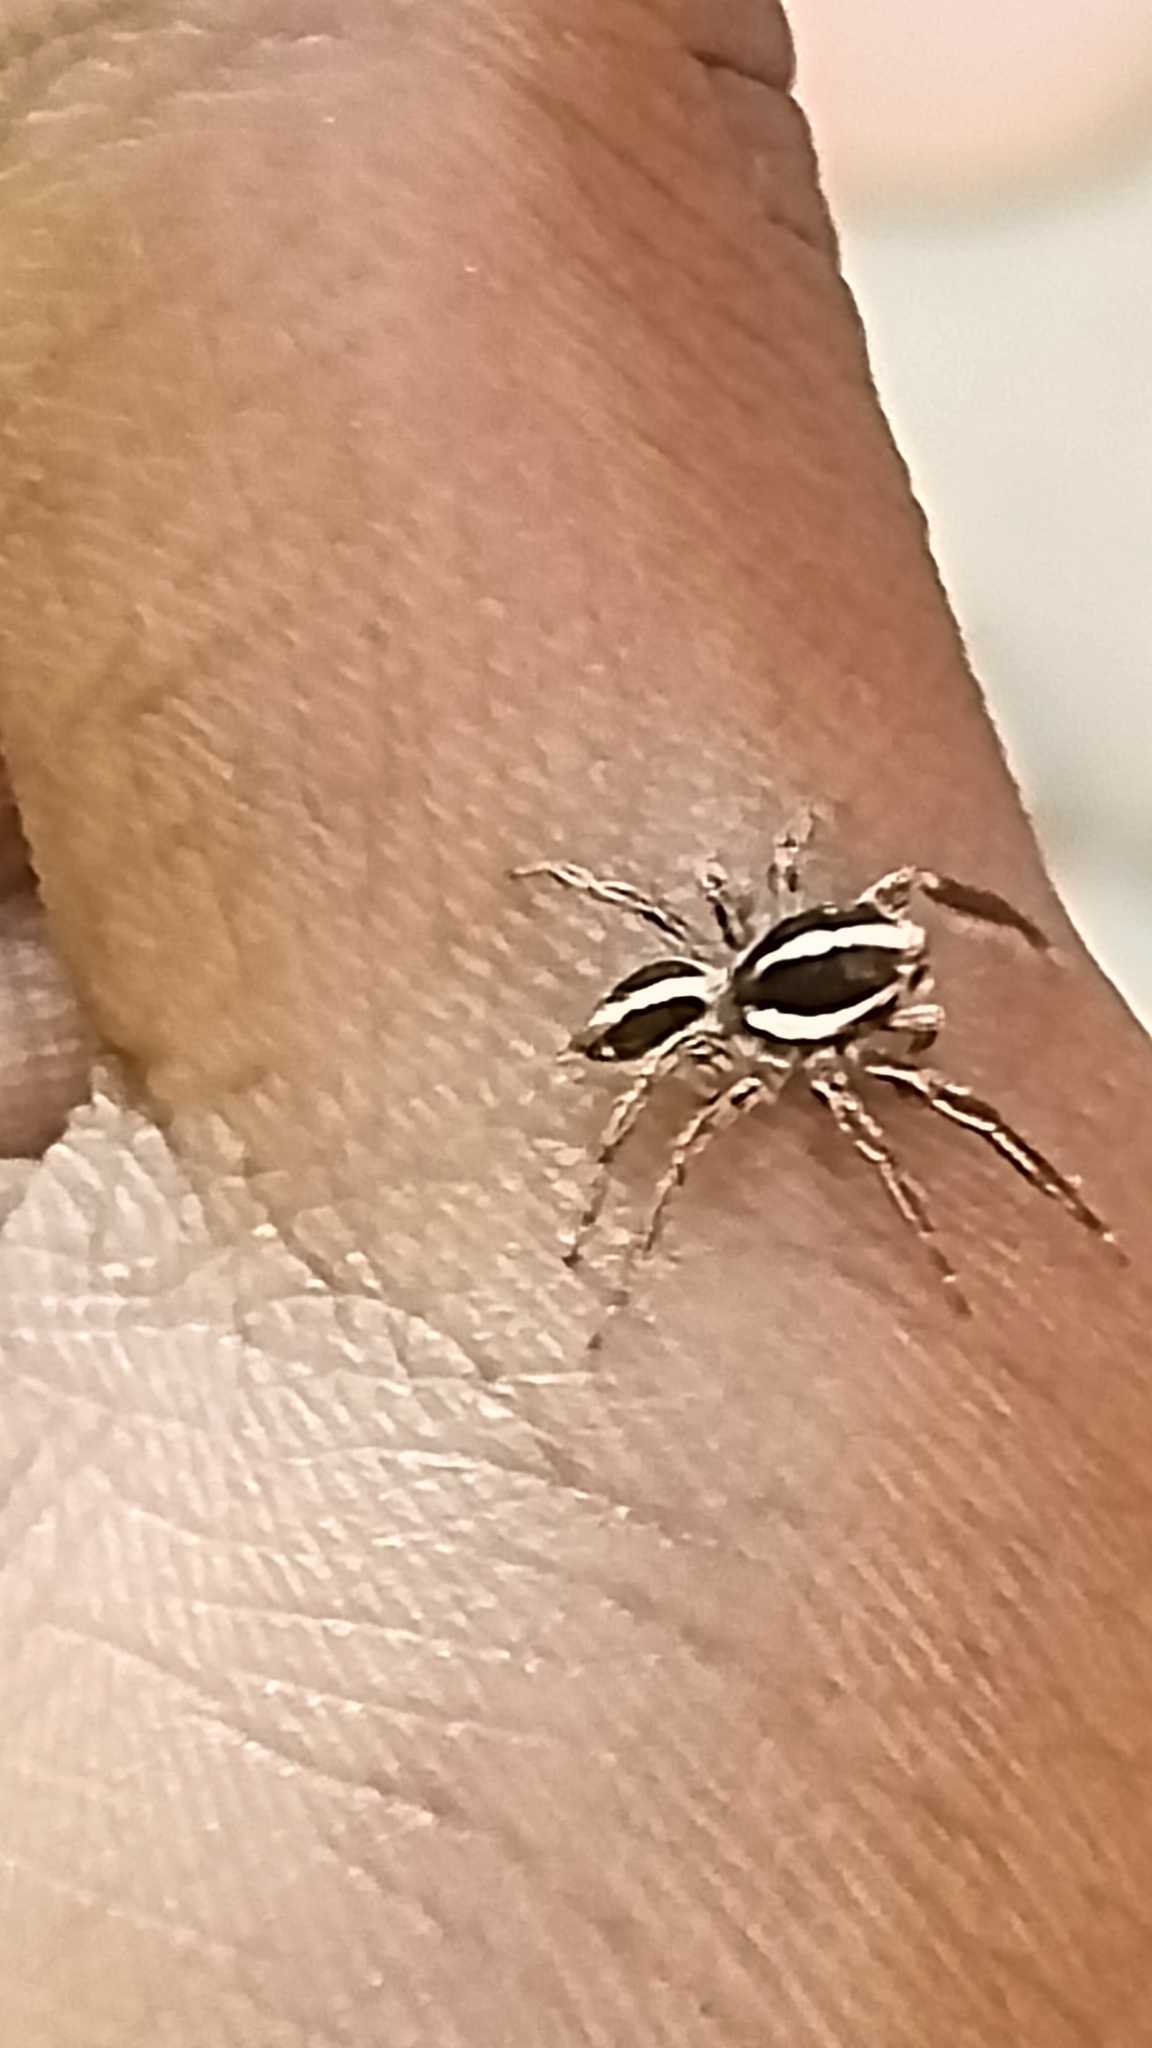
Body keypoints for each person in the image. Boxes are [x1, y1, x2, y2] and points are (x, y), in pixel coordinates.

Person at [1, 5, 1149, 2041]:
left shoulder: (823, 945)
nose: (901, 969)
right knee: (887, 1129)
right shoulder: (759, 1046)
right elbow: (764, 1098)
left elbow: (847, 923)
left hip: (714, 988)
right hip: (694, 1009)